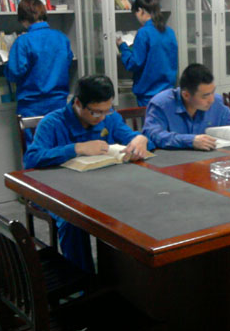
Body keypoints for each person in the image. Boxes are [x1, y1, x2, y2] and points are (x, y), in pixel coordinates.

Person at [24, 75, 153, 272]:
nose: (101, 117)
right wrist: (77, 148)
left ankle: (126, 277)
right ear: (78, 103)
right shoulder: (52, 123)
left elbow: (133, 138)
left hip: (103, 187)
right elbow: (32, 158)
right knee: (72, 221)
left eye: (107, 110)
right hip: (61, 192)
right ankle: (84, 279)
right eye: (95, 112)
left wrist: (140, 139)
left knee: (135, 207)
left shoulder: (109, 118)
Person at [4, 0, 73, 143]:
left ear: (23, 19)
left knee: (35, 149)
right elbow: (67, 62)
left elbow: (15, 73)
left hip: (32, 106)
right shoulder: (62, 38)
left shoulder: (23, 41)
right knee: (61, 146)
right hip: (59, 103)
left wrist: (7, 66)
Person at [143, 63, 230, 150]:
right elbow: (153, 135)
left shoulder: (216, 102)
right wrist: (190, 141)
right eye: (205, 96)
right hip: (171, 165)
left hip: (208, 162)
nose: (211, 100)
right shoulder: (161, 105)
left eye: (213, 92)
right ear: (186, 95)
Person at [116, 0, 178, 106]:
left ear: (140, 11)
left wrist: (123, 47)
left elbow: (134, 64)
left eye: (136, 14)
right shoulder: (170, 31)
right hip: (168, 92)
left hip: (148, 95)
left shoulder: (143, 33)